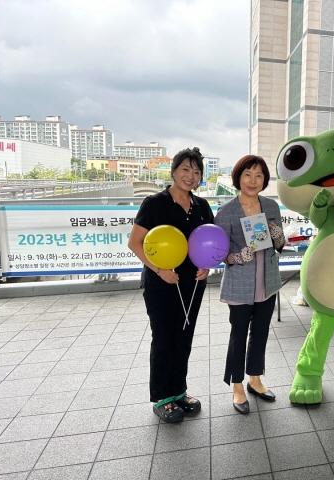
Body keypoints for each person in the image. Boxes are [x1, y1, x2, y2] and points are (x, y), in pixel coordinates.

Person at [128, 147, 214, 423]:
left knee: (185, 337)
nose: (191, 176)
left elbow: (209, 243)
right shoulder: (154, 203)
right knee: (164, 337)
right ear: (174, 171)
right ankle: (162, 398)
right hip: (161, 282)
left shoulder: (202, 206)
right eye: (186, 169)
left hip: (193, 282)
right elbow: (135, 243)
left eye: (197, 171)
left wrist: (207, 266)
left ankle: (179, 391)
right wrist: (159, 269)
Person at [214, 154, 284, 414]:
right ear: (238, 177)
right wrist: (239, 256)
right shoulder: (226, 212)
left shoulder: (271, 206)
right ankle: (237, 385)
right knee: (238, 335)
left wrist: (278, 236)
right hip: (240, 284)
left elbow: (278, 244)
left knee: (261, 332)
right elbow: (220, 254)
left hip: (267, 282)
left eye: (259, 175)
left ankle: (255, 379)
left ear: (264, 180)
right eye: (248, 174)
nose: (253, 180)